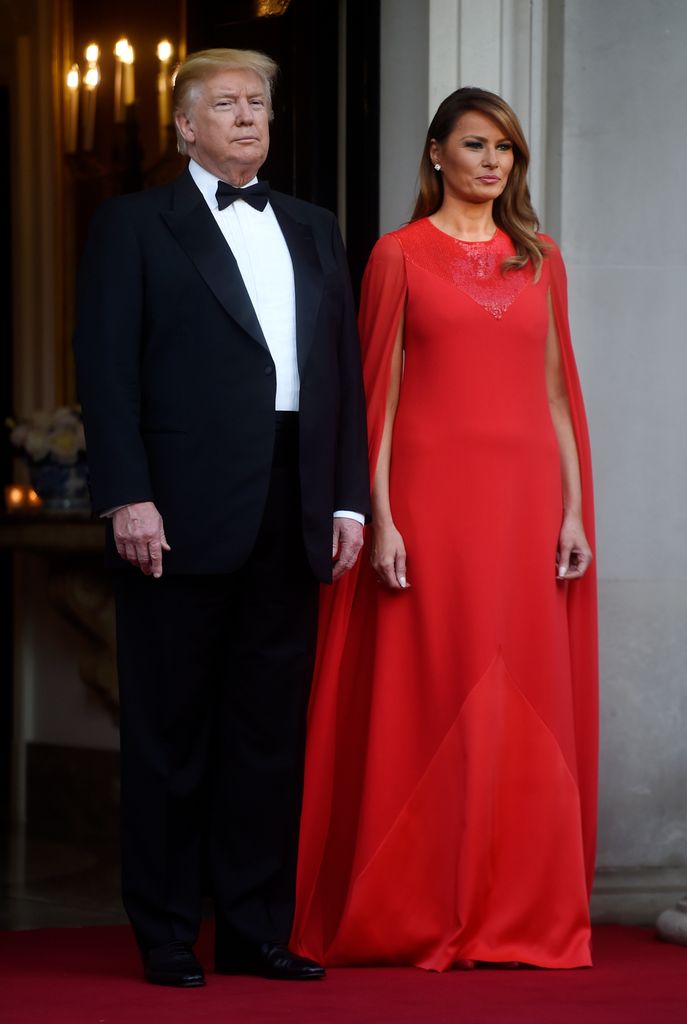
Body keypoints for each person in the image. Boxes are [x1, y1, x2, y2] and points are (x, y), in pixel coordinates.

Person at [73, 48, 369, 986]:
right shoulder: (133, 225)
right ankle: (164, 933)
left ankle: (254, 932)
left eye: (260, 106)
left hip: (293, 506)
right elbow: (106, 371)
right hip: (176, 505)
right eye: (228, 105)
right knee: (169, 735)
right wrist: (128, 492)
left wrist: (348, 496)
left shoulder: (316, 228)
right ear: (184, 126)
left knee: (266, 737)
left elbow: (342, 380)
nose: (248, 119)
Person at [291, 87, 598, 970]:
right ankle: (419, 904)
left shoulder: (540, 258)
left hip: (527, 502)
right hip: (427, 505)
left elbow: (555, 395)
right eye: (475, 144)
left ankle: (515, 908)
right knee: (429, 689)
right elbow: (373, 403)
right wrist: (380, 518)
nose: (493, 161)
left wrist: (574, 509)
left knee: (520, 688)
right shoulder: (395, 256)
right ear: (435, 155)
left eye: (506, 148)